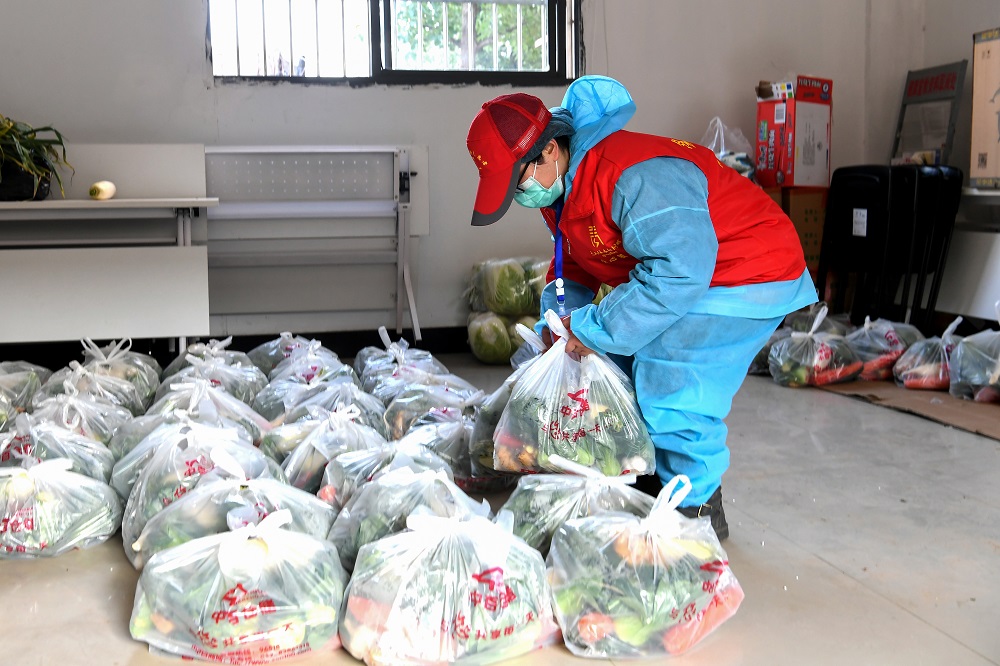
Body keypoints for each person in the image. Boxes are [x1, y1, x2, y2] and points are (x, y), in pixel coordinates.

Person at [466, 75, 818, 541]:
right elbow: (577, 259)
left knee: (670, 383)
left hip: (745, 272)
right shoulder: (562, 186)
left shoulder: (629, 174)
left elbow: (681, 270)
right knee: (619, 366)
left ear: (550, 149)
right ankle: (656, 481)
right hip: (695, 273)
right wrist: (560, 319)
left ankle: (696, 512)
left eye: (519, 181)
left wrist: (594, 328)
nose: (520, 195)